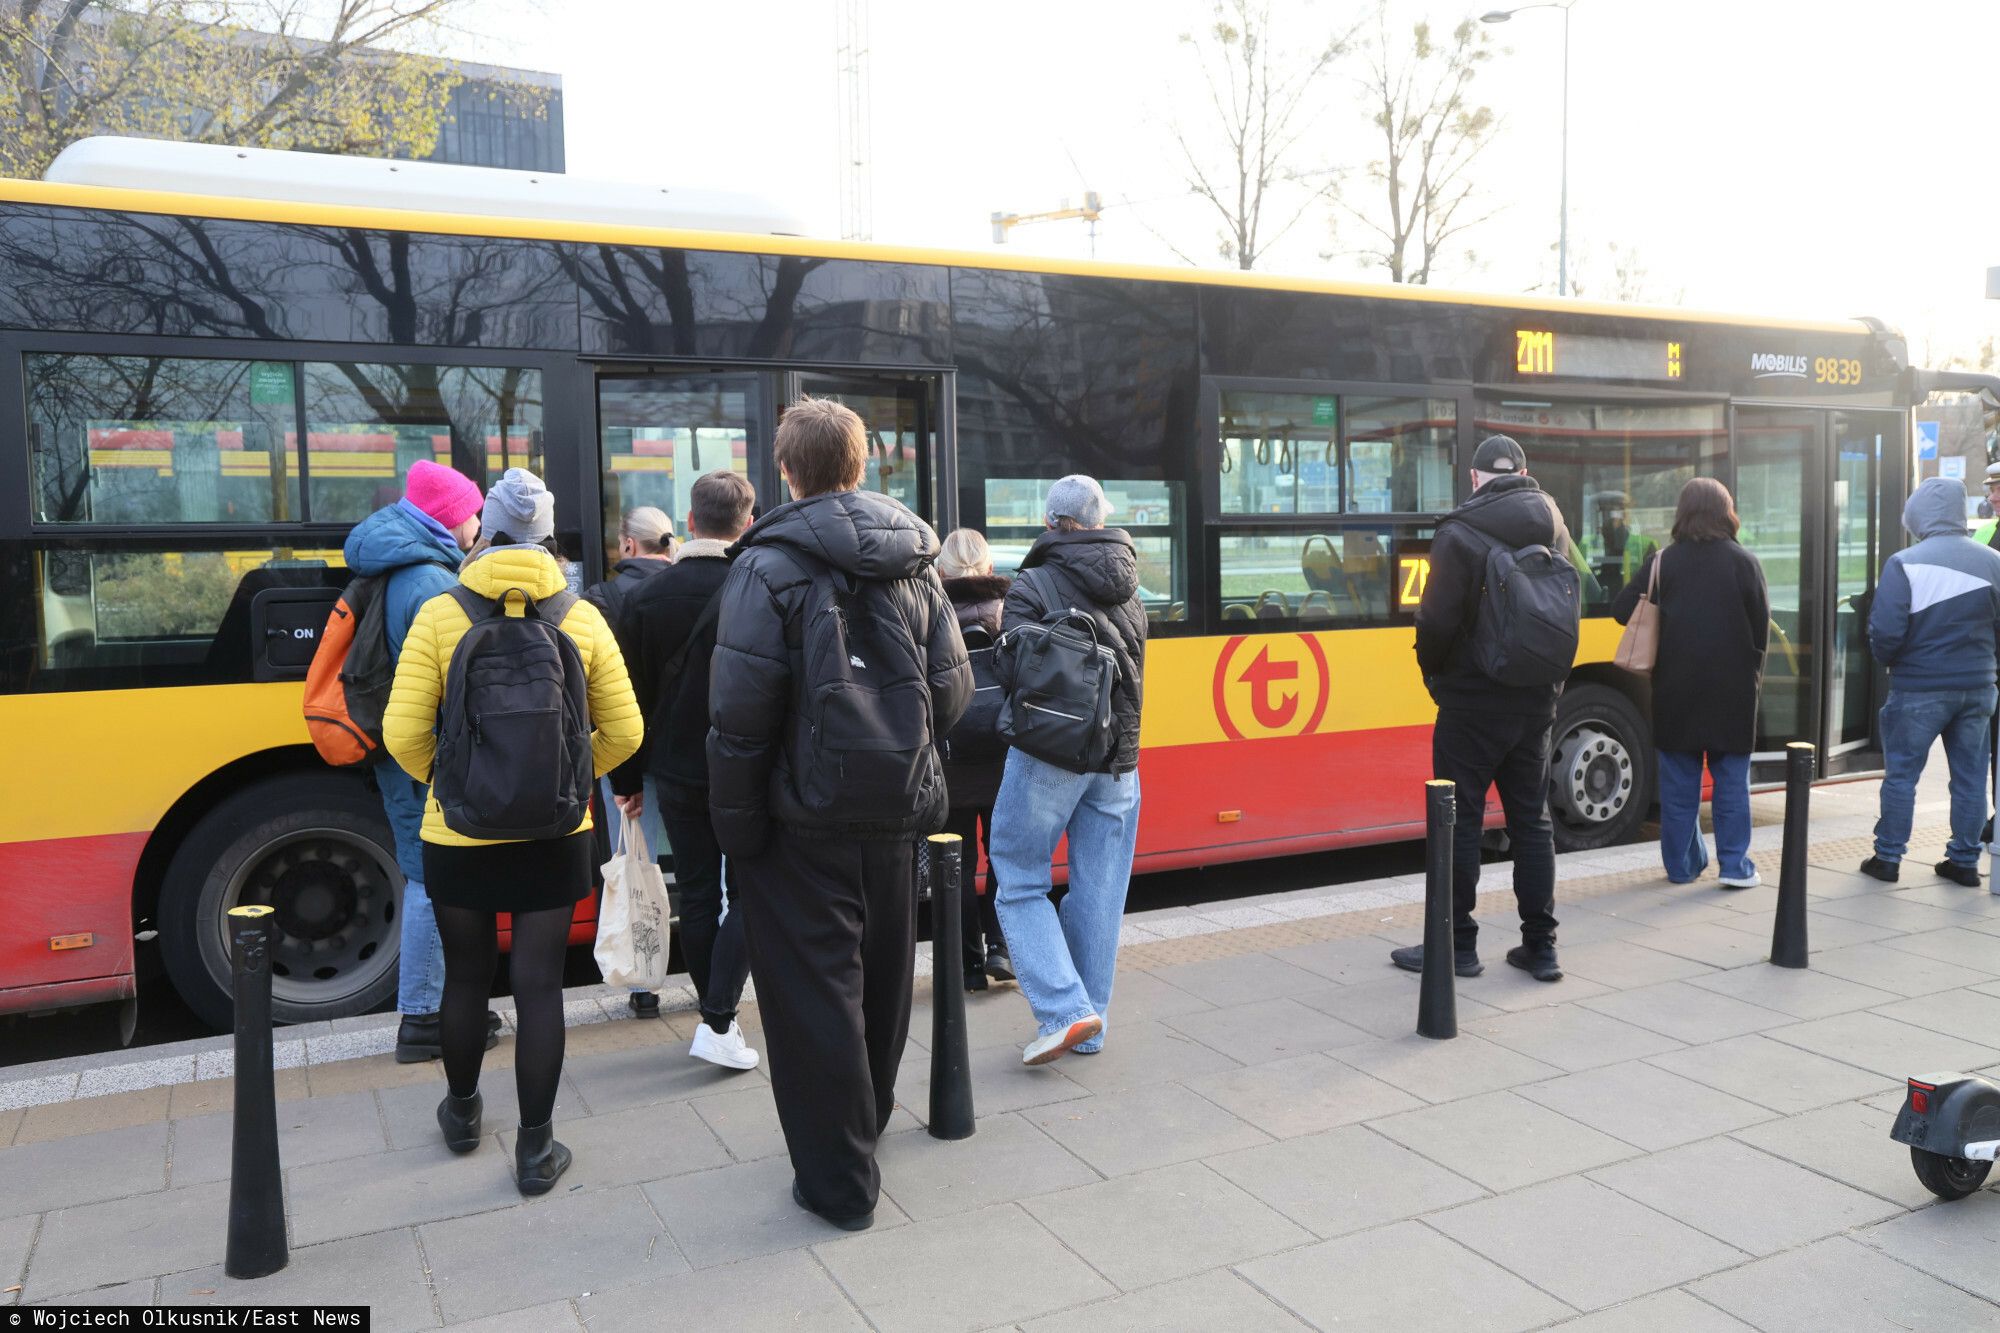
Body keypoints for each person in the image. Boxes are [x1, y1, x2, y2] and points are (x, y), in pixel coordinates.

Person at [707, 398, 971, 1231]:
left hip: (801, 821)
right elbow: (954, 690)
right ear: (862, 465)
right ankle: (867, 1126)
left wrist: (738, 828)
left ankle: (839, 1182)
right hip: (898, 811)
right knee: (886, 977)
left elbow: (740, 716)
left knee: (814, 992)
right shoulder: (917, 560)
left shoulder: (764, 565)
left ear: (786, 471)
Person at [383, 468, 643, 1195]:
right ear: (549, 538)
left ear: (487, 533)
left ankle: (463, 1114)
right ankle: (536, 1150)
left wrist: (452, 781)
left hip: (458, 834)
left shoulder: (442, 612)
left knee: (467, 975)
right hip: (558, 832)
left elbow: (401, 730)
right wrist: (569, 771)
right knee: (538, 986)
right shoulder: (581, 615)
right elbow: (626, 729)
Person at [340, 460, 504, 1064]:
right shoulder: (431, 584)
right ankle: (425, 1019)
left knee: (424, 876)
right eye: (471, 511)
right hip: (426, 758)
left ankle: (432, 1009)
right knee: (434, 884)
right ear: (449, 517)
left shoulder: (395, 564)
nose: (477, 522)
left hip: (398, 752)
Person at [1395, 434, 1571, 983]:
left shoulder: (1458, 532)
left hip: (1472, 701)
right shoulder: (1555, 522)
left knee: (1460, 820)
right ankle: (1540, 947)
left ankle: (1457, 945)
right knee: (1532, 821)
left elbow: (1436, 622)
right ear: (1523, 471)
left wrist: (1435, 677)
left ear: (1474, 478)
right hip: (1537, 700)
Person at [989, 475, 1147, 1065]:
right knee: (1100, 893)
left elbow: (1013, 671)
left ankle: (1065, 1010)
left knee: (1020, 878)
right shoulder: (1131, 586)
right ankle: (1092, 1023)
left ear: (1054, 522)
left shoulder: (1033, 583)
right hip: (1119, 763)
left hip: (1051, 757)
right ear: (1100, 520)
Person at [613, 470, 761, 1067]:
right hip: (747, 769)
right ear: (747, 524)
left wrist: (627, 782)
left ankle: (712, 1013)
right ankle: (721, 1011)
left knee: (697, 894)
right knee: (753, 888)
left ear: (691, 523)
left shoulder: (643, 598)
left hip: (675, 769)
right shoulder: (759, 585)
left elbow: (625, 699)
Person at [1612, 478, 1770, 889]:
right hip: (1732, 692)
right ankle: (1735, 866)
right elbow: (1760, 633)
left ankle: (1682, 868)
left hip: (1675, 690)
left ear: (1682, 513)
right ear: (1726, 512)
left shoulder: (1664, 562)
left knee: (1680, 789)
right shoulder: (1744, 562)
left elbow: (1620, 610)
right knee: (1732, 783)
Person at [1860, 476, 2000, 886]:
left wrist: (1892, 662)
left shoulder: (1905, 562)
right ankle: (1964, 862)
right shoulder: (1993, 561)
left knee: (1902, 774)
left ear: (1919, 512)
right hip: (1978, 688)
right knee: (1972, 777)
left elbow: (1885, 631)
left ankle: (1887, 859)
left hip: (1919, 687)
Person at [584, 506, 675, 1018]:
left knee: (636, 861)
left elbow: (607, 692)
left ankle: (643, 984)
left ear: (627, 546)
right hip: (686, 756)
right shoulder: (696, 589)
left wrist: (623, 776)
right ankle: (719, 982)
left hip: (626, 753)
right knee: (708, 869)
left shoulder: (601, 599)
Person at [936, 527, 1014, 990]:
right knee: (1003, 855)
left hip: (951, 757)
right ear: (988, 568)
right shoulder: (1009, 610)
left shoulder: (930, 611)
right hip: (1004, 753)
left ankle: (967, 967)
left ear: (941, 570)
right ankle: (1000, 947)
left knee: (957, 865)